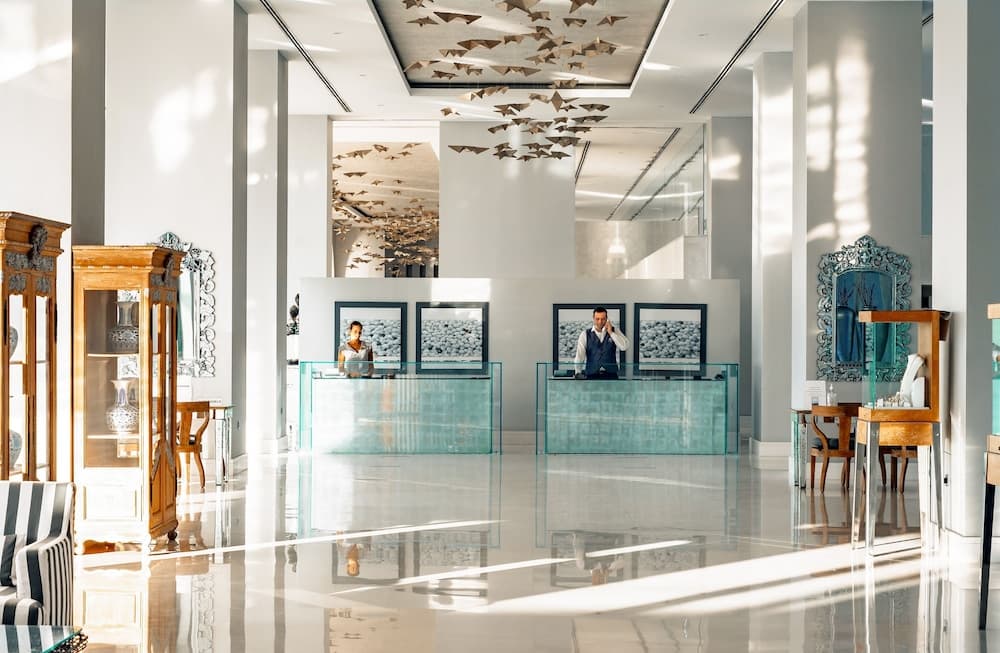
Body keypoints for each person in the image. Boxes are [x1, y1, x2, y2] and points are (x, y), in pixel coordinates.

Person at [574, 307, 630, 379]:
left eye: (603, 319)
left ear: (607, 319)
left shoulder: (614, 331)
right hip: (591, 375)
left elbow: (624, 347)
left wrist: (611, 333)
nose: (600, 322)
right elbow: (580, 355)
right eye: (597, 319)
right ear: (593, 318)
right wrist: (578, 372)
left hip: (611, 375)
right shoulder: (585, 334)